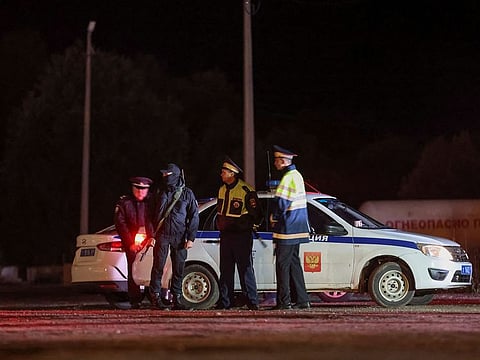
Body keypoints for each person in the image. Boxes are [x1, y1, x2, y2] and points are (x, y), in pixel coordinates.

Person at [149, 163, 199, 310]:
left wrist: (191, 237)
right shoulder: (159, 192)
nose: (165, 177)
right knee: (158, 266)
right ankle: (155, 297)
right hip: (162, 235)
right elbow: (150, 215)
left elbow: (194, 216)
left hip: (180, 236)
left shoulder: (187, 194)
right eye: (163, 175)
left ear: (175, 175)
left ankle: (177, 298)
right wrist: (151, 235)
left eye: (168, 175)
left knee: (179, 268)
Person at [216, 157, 263, 310]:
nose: (221, 174)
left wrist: (243, 224)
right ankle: (225, 301)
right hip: (226, 236)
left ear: (232, 173)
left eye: (224, 172)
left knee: (245, 269)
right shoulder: (222, 190)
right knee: (226, 270)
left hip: (241, 236)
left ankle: (252, 301)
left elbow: (257, 214)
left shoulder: (246, 190)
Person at [270, 145, 311, 310]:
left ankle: (284, 302)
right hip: (298, 226)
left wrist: (274, 217)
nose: (274, 163)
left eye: (276, 160)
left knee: (282, 265)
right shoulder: (297, 175)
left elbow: (281, 203)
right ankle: (302, 299)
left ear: (283, 161)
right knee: (294, 264)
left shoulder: (288, 177)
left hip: (288, 228)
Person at [114, 176, 154, 309]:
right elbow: (120, 223)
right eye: (138, 188)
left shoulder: (153, 202)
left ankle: (154, 296)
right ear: (133, 188)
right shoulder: (125, 202)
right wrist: (130, 242)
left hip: (150, 241)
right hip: (132, 242)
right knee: (133, 270)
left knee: (154, 268)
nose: (140, 192)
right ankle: (135, 300)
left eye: (144, 189)